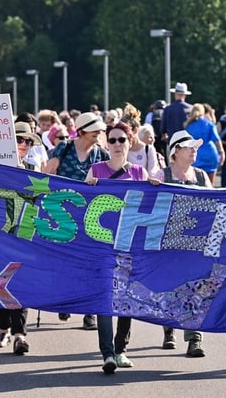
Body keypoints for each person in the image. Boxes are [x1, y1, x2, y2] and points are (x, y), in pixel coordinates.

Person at [85, 121, 153, 374]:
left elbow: (150, 208)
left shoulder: (139, 173)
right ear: (105, 143)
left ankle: (121, 349)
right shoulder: (95, 170)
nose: (116, 145)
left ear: (130, 141)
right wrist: (87, 188)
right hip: (101, 247)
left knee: (126, 298)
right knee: (105, 298)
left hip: (129, 246)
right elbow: (82, 205)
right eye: (112, 140)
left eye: (121, 140)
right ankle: (108, 354)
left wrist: (154, 187)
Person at [44, 111, 109, 329]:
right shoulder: (65, 147)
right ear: (81, 132)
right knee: (65, 261)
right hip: (63, 213)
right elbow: (48, 172)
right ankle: (65, 301)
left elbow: (112, 177)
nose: (98, 133)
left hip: (90, 216)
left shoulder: (100, 153)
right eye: (94, 130)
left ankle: (89, 311)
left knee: (88, 263)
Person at [154, 130, 211, 357]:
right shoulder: (161, 174)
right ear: (175, 151)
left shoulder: (201, 176)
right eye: (189, 146)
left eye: (195, 147)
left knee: (196, 290)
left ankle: (194, 338)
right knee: (169, 288)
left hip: (195, 245)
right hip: (167, 245)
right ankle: (169, 329)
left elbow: (216, 205)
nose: (194, 150)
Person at [0, 121, 38, 356]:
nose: (25, 145)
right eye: (20, 140)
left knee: (21, 282)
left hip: (24, 232)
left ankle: (20, 334)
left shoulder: (31, 168)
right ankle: (5, 328)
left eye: (29, 141)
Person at [185, 103, 223, 184]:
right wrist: (221, 152)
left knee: (195, 183)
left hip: (195, 154)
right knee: (210, 184)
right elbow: (217, 139)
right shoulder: (209, 124)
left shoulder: (188, 126)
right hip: (210, 153)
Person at [161, 82, 193, 151]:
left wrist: (167, 140)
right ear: (185, 95)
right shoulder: (191, 109)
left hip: (172, 143)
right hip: (187, 143)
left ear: (175, 94)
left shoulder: (168, 109)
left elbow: (163, 129)